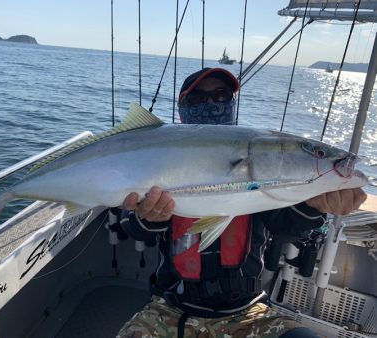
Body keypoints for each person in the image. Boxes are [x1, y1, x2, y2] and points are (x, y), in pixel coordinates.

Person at [116, 67, 367, 338]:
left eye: (221, 95)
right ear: (182, 107)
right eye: (199, 98)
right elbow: (134, 228)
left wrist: (316, 206)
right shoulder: (161, 156)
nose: (211, 103)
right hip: (171, 309)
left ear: (232, 104)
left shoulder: (260, 167)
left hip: (247, 313)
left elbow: (286, 226)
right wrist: (150, 216)